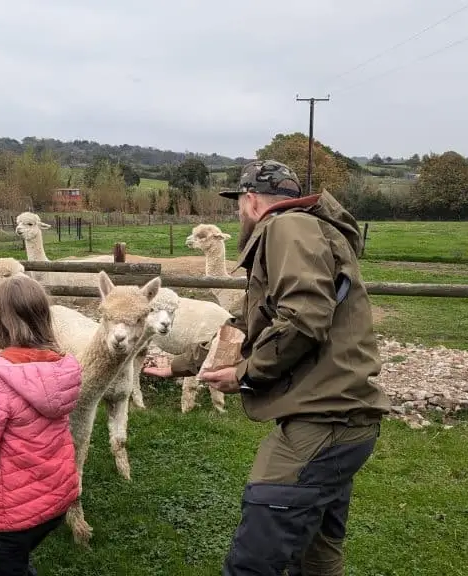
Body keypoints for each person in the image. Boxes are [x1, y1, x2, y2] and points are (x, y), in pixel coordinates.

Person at [144, 160, 391, 576]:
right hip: (344, 420)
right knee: (317, 556)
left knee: (254, 561)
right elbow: (246, 327)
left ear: (251, 200)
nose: (239, 213)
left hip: (323, 423)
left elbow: (303, 318)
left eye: (239, 204)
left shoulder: (285, 229)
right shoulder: (309, 230)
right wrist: (180, 365)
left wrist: (245, 374)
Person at [0, 274, 82, 576]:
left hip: (13, 512)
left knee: (9, 566)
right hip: (55, 497)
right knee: (21, 558)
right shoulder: (61, 368)